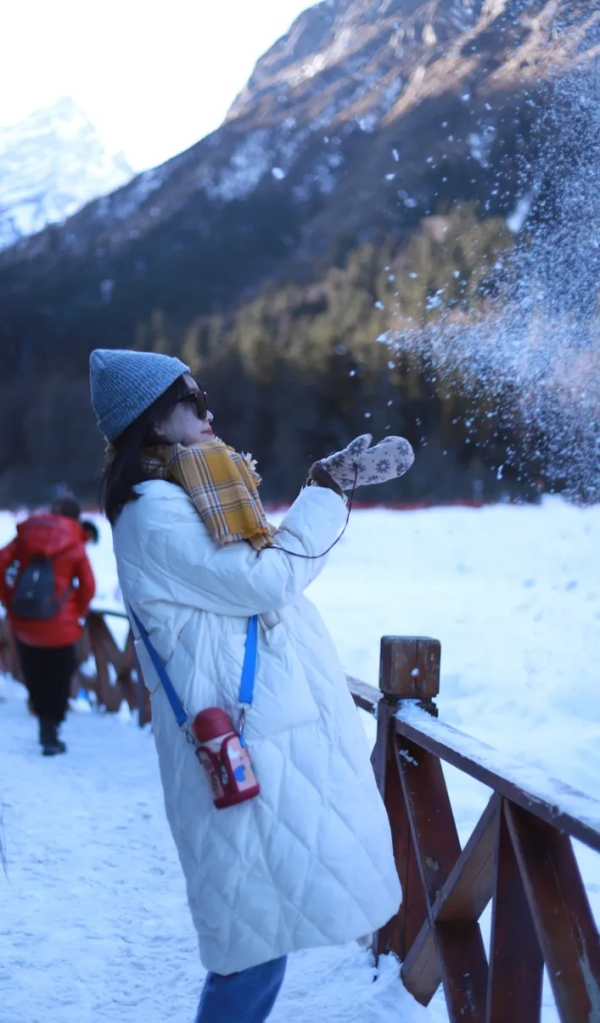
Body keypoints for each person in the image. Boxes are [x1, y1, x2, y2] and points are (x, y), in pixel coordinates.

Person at [89, 348, 414, 1023]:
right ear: (151, 418)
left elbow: (253, 577)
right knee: (249, 946)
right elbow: (267, 580)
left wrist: (325, 487)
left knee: (258, 935)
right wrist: (323, 492)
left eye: (205, 397)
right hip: (239, 745)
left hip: (254, 738)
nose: (208, 412)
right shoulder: (155, 511)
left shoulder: (185, 492)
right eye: (190, 400)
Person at [0, 496, 96, 755]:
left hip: (25, 621)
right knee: (60, 675)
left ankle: (43, 721)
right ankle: (50, 730)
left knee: (33, 672)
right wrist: (75, 610)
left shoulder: (26, 535)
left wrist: (9, 600)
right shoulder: (75, 542)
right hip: (61, 626)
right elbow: (88, 585)